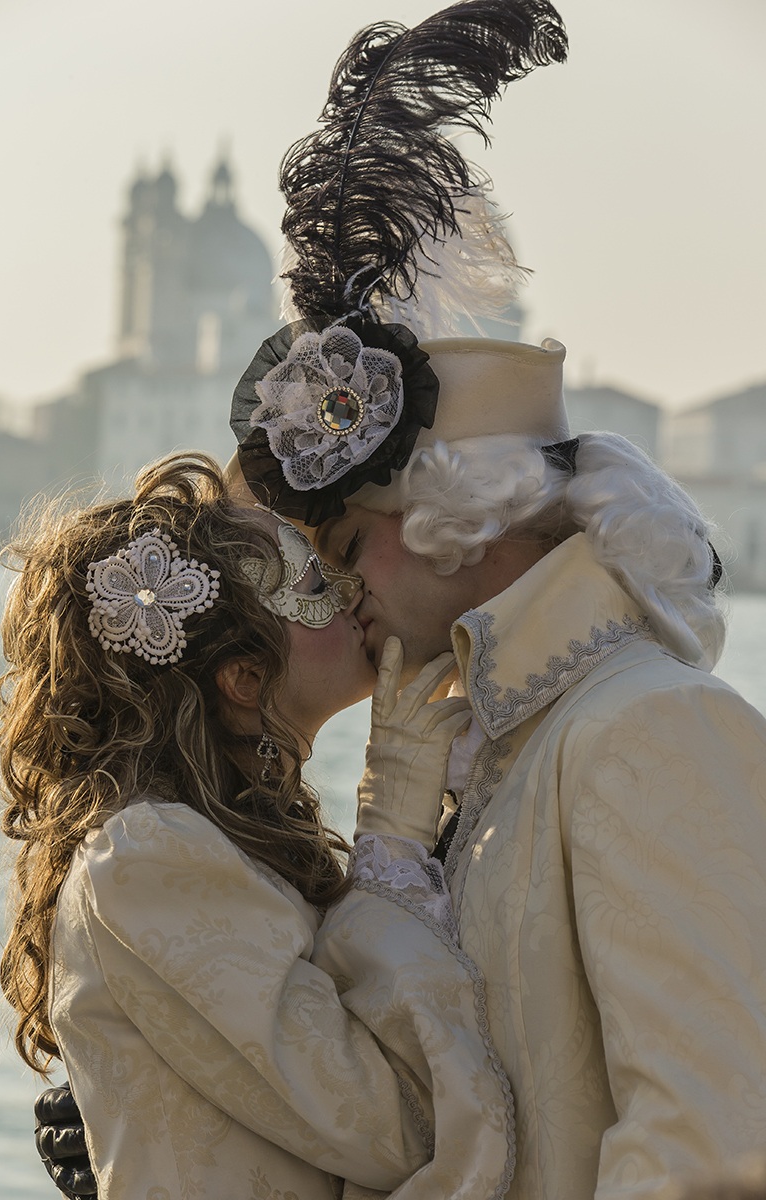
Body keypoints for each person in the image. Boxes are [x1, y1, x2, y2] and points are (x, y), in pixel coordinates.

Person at [220, 0, 766, 1193]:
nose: (330, 589)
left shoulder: (648, 727)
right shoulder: (513, 743)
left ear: (449, 525)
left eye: (346, 543)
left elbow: (712, 1148)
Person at [0, 452, 516, 1199]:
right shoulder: (148, 856)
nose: (349, 587)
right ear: (243, 679)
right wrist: (392, 821)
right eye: (309, 584)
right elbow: (407, 1124)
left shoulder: (212, 840)